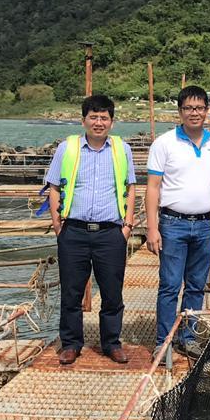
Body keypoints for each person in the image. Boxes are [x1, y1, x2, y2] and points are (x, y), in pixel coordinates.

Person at [42, 94, 136, 366]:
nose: (98, 122)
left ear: (112, 122)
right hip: (74, 231)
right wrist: (58, 226)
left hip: (111, 233)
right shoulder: (67, 148)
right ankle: (71, 344)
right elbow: (55, 187)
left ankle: (111, 343)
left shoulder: (122, 150)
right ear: (83, 120)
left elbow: (131, 188)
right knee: (71, 291)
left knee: (112, 292)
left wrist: (127, 226)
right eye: (93, 117)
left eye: (103, 118)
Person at [146, 84, 210, 356]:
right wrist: (152, 228)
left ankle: (188, 335)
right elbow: (153, 187)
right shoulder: (164, 143)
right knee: (169, 284)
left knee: (196, 284)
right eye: (189, 108)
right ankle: (164, 341)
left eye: (200, 108)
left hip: (205, 224)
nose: (195, 113)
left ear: (207, 111)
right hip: (173, 223)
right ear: (180, 111)